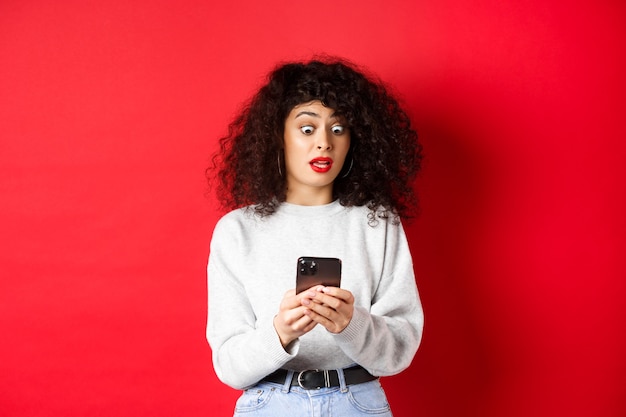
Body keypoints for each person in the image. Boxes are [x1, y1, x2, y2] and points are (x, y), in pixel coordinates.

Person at [206, 57, 424, 417]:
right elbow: (229, 366)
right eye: (307, 129)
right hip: (268, 405)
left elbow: (399, 351)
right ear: (279, 135)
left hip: (358, 404)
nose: (324, 143)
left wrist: (351, 325)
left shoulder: (378, 223)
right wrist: (279, 332)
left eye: (338, 129)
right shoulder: (236, 231)